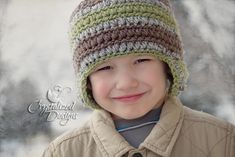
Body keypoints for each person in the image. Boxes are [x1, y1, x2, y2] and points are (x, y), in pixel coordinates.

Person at [43, 0, 235, 156]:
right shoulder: (64, 151)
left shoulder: (222, 140)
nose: (126, 83)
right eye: (105, 67)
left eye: (141, 60)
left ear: (168, 66)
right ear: (87, 81)